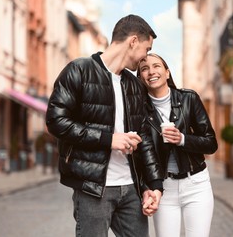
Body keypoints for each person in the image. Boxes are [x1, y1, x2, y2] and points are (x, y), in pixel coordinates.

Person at [46, 15, 163, 237]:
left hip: (131, 189)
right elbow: (56, 121)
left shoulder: (134, 85)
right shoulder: (78, 70)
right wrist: (108, 139)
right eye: (146, 49)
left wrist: (153, 185)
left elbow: (144, 138)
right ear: (133, 41)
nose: (145, 58)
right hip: (92, 189)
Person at [138, 53, 218, 237]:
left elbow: (211, 143)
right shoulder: (139, 109)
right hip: (163, 189)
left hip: (196, 184)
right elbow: (139, 156)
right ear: (141, 77)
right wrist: (147, 188)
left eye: (157, 66)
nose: (151, 71)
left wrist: (182, 139)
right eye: (144, 68)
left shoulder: (189, 98)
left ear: (167, 72)